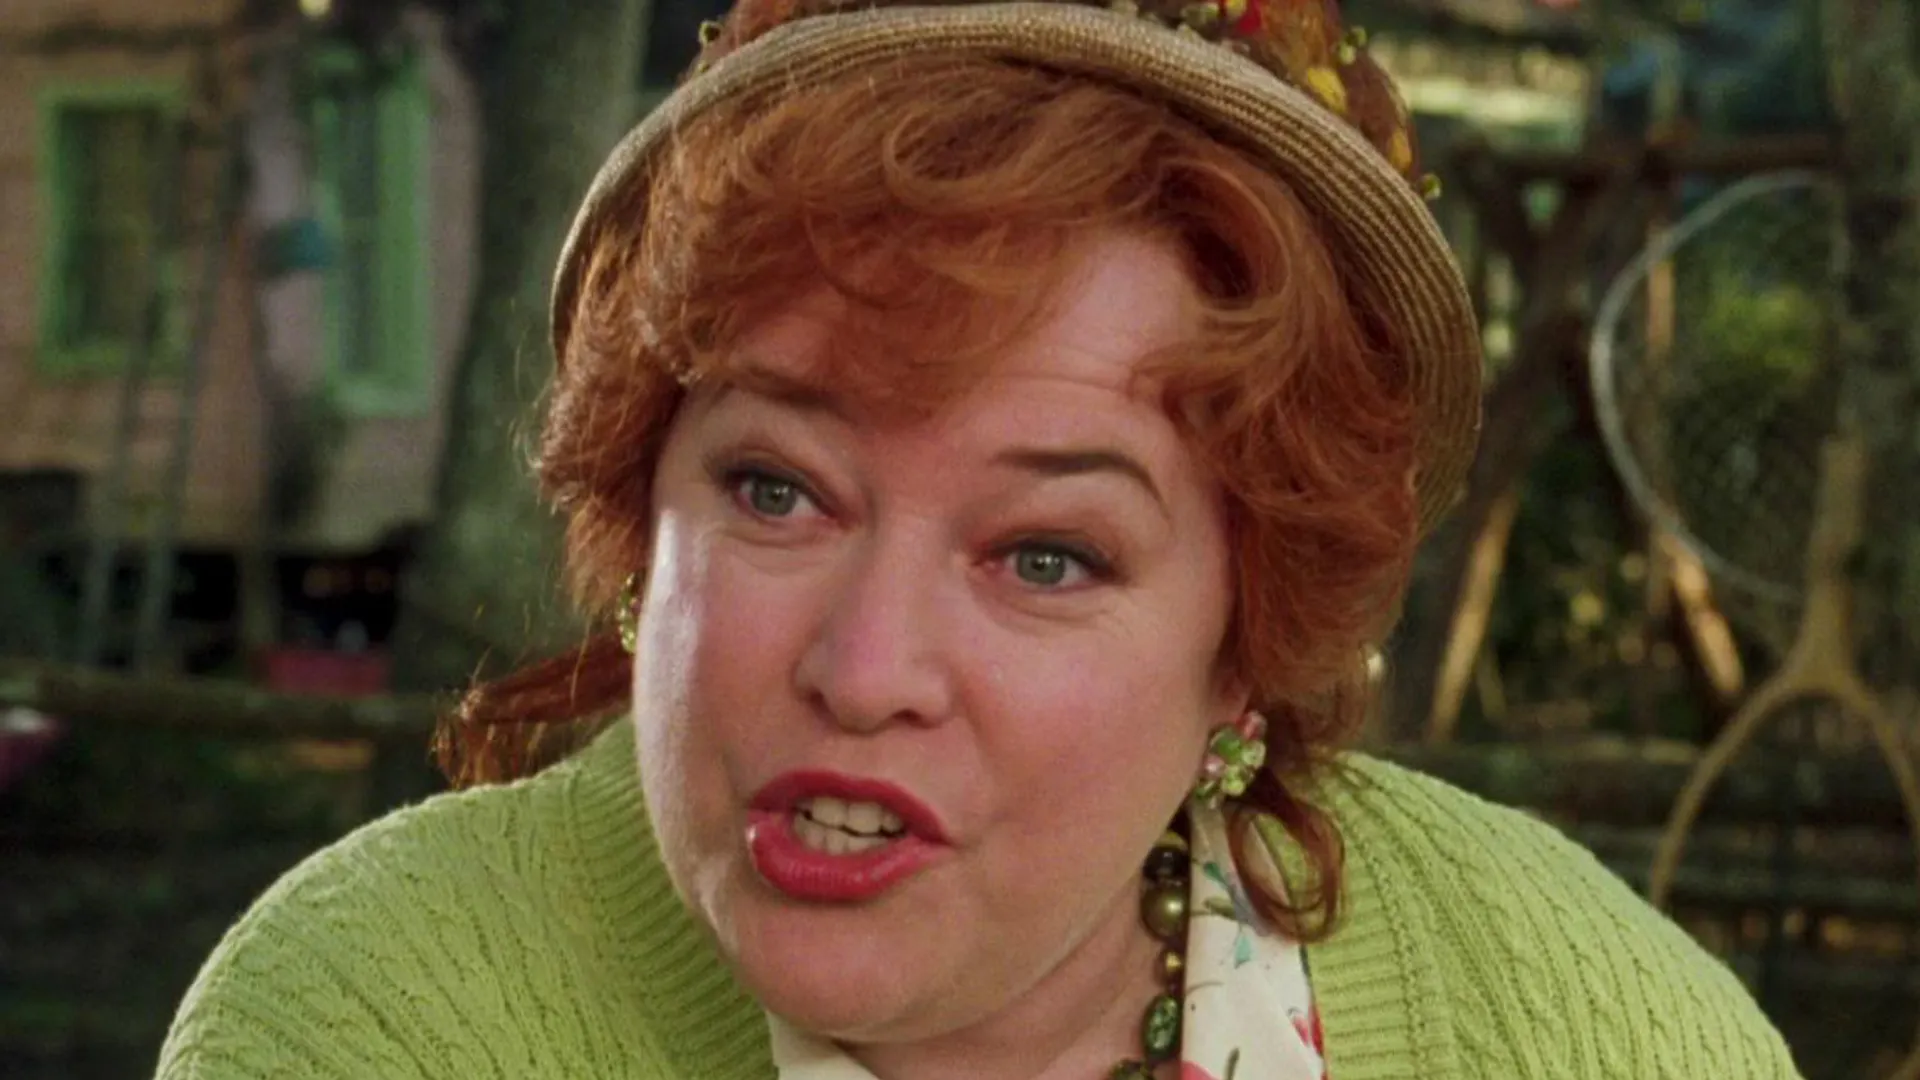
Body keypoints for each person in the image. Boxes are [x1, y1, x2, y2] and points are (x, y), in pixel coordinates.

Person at [156, 0, 1804, 1077]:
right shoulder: (375, 1020)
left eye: (1046, 557)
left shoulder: (1588, 1027)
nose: (866, 670)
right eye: (777, 490)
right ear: (643, 512)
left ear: (1248, 648)